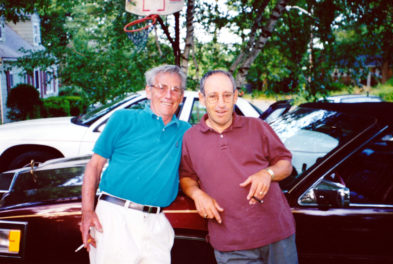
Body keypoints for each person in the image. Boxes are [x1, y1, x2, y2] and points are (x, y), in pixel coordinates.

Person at [179, 70, 298, 264]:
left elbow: (285, 165)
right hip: (230, 243)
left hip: (277, 236)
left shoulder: (258, 127)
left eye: (227, 95)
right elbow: (187, 177)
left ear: (235, 96)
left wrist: (267, 173)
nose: (221, 103)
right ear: (202, 98)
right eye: (213, 96)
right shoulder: (190, 138)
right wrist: (197, 194)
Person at [80, 65, 191, 264]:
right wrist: (87, 212)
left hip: (157, 224)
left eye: (175, 89)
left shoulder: (186, 132)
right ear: (148, 91)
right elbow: (94, 166)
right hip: (115, 218)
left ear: (181, 96)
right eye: (161, 87)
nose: (168, 95)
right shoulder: (123, 119)